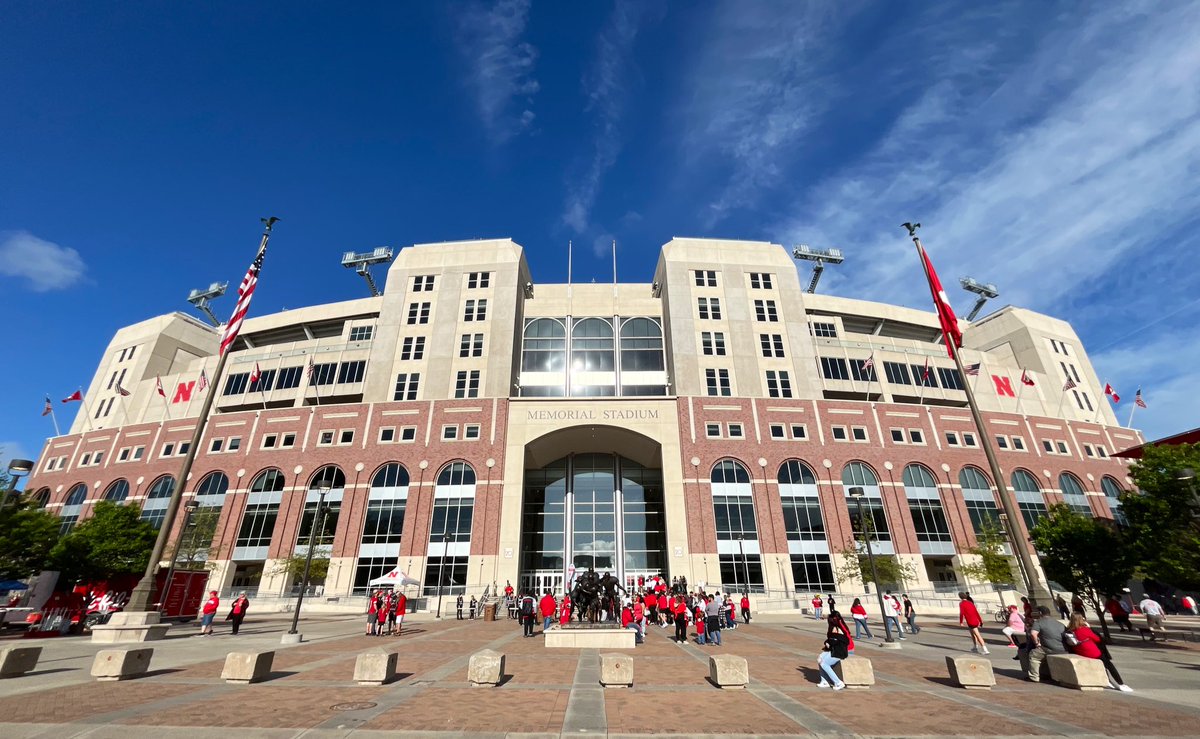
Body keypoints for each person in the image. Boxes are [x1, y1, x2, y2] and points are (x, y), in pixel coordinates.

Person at [1067, 613, 1132, 692]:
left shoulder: (1070, 630)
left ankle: (1108, 680)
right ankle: (1121, 683)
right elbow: (1097, 639)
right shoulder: (1084, 630)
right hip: (1092, 652)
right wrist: (1089, 628)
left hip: (1080, 652)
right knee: (1109, 664)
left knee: (1104, 662)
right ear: (1081, 620)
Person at [1025, 606, 1067, 682]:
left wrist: (1037, 643)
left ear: (1040, 613)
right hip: (1064, 649)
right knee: (1041, 654)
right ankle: (1046, 674)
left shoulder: (1039, 622)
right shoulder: (1059, 623)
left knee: (1034, 655)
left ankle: (1034, 677)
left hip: (1049, 649)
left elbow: (1033, 634)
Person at [816, 617, 849, 690]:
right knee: (819, 659)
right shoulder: (833, 630)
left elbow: (835, 641)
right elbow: (829, 641)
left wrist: (829, 642)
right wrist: (827, 643)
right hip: (833, 651)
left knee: (824, 663)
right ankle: (824, 681)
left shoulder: (839, 632)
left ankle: (838, 682)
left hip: (839, 653)